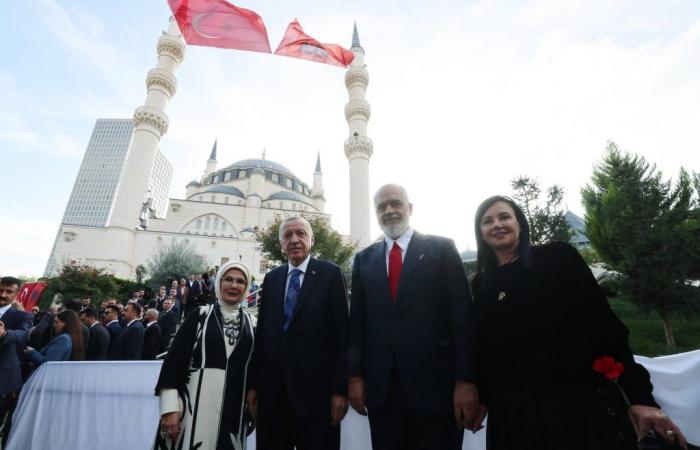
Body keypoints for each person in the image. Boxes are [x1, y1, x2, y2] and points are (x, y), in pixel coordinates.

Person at [470, 195, 688, 450]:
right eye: (487, 221)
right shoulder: (481, 284)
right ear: (481, 233)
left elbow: (604, 326)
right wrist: (480, 396)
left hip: (576, 400)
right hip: (517, 411)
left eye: (504, 216)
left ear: (520, 223)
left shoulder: (556, 257)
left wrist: (640, 396)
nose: (497, 224)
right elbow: (485, 347)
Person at [347, 184, 479, 450]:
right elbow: (357, 323)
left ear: (410, 208)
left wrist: (466, 380)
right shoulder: (364, 259)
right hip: (383, 390)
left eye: (396, 203)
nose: (389, 210)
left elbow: (462, 316)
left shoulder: (441, 249)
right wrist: (355, 376)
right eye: (382, 207)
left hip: (436, 387)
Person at [247, 216, 349, 450]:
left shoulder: (330, 275)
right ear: (281, 243)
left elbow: (342, 335)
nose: (294, 240)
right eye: (287, 235)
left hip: (317, 399)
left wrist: (339, 390)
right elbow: (262, 336)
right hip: (272, 398)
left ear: (311, 239)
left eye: (301, 234)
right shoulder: (272, 279)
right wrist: (253, 386)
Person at [154, 261, 256, 450]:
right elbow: (174, 363)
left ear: (246, 287)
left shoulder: (254, 324)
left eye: (240, 281)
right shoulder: (199, 315)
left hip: (233, 416)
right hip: (191, 412)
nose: (234, 285)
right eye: (229, 279)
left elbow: (256, 371)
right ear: (219, 283)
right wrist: (169, 409)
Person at [0, 276, 32, 446]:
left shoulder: (22, 316)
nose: (3, 294)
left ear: (16, 294)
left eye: (8, 291)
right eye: (1, 290)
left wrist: (5, 334)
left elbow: (23, 335)